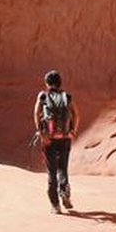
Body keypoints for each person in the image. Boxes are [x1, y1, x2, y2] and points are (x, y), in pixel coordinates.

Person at [33, 70, 79, 213]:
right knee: (62, 168)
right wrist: (72, 131)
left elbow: (36, 114)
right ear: (60, 82)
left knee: (51, 171)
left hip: (49, 139)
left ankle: (55, 205)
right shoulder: (67, 97)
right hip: (65, 138)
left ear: (47, 83)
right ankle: (64, 192)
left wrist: (40, 131)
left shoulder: (42, 96)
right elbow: (76, 115)